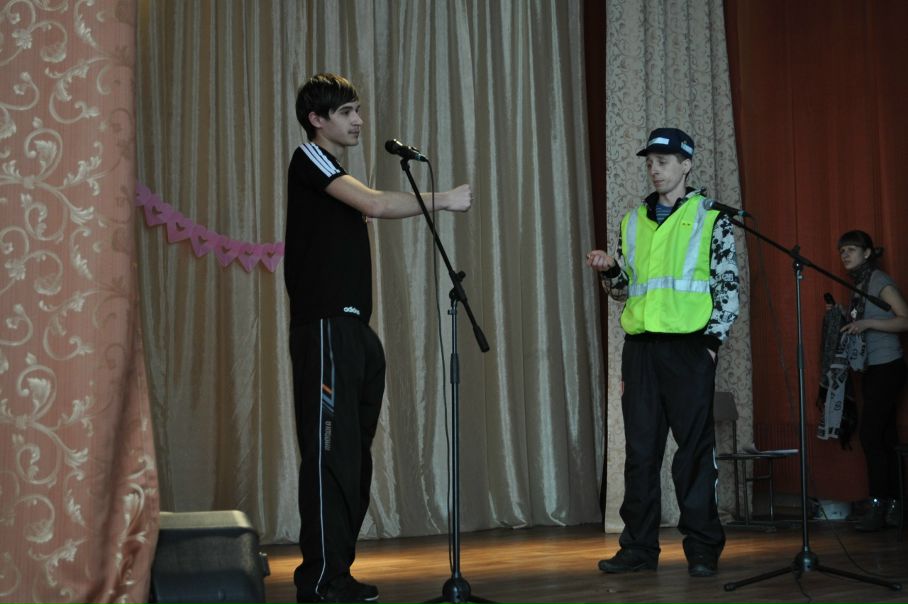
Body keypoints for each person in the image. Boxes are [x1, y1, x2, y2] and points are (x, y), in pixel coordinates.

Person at [285, 73, 472, 604]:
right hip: (325, 328)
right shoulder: (310, 158)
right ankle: (320, 580)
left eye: (358, 110)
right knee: (328, 457)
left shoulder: (337, 169)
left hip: (353, 330)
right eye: (347, 112)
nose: (359, 121)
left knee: (352, 458)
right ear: (317, 120)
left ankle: (338, 573)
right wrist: (444, 198)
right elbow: (376, 205)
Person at [586, 128, 740, 577]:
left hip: (690, 348)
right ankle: (638, 547)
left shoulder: (711, 217)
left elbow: (727, 287)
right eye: (650, 162)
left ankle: (703, 548)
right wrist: (610, 271)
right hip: (641, 351)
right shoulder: (632, 221)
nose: (655, 169)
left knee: (694, 452)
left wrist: (710, 345)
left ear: (686, 165)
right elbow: (624, 291)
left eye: (664, 161)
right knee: (641, 452)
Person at [834, 230, 908, 531]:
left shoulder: (879, 281)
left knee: (870, 436)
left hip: (887, 366)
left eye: (852, 249)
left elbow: (905, 318)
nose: (845, 255)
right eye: (842, 251)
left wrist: (867, 323)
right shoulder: (859, 285)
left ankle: (880, 505)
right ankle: (895, 506)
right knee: (885, 437)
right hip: (872, 368)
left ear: (867, 253)